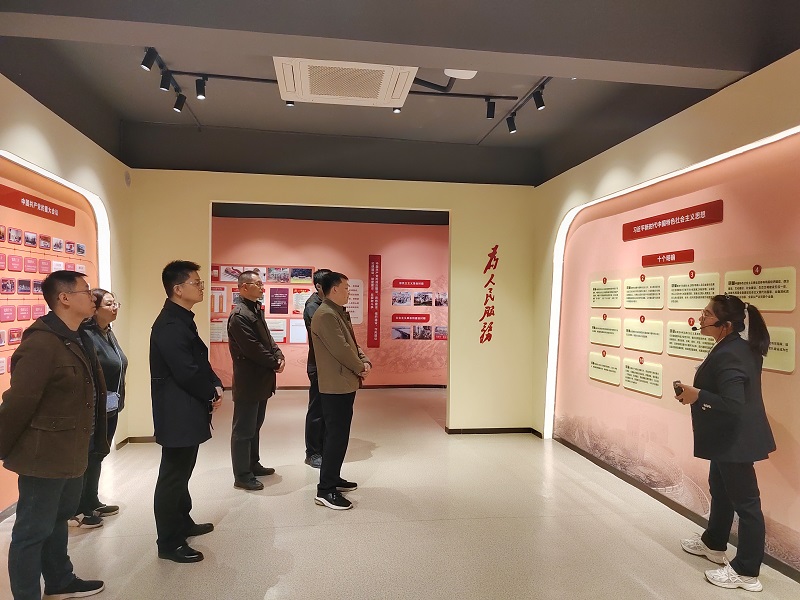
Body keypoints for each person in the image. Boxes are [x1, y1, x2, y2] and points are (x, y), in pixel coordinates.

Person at [0, 270, 107, 599]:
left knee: (59, 518)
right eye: (86, 291)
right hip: (43, 455)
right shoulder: (42, 343)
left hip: (71, 450)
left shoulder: (77, 336)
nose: (92, 296)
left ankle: (60, 580)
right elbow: (19, 401)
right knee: (32, 531)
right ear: (64, 298)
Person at [674, 294, 775, 592]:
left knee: (747, 504)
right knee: (720, 489)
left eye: (707, 314)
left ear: (726, 324)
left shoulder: (731, 353)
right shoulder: (735, 347)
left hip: (736, 440)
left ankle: (746, 571)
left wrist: (697, 395)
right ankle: (715, 542)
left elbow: (733, 403)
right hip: (727, 436)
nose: (701, 318)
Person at [150, 261, 222, 563]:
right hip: (177, 410)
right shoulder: (169, 324)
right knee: (173, 476)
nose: (201, 287)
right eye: (196, 282)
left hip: (186, 407)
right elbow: (186, 371)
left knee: (182, 472)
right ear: (178, 289)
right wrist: (210, 391)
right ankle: (169, 542)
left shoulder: (181, 319)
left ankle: (183, 521)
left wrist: (214, 383)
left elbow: (198, 361)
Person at [310, 272, 371, 510]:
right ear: (334, 289)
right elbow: (341, 349)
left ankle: (333, 478)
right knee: (335, 435)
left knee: (339, 434)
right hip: (335, 385)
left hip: (343, 382)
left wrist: (364, 360)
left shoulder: (336, 312)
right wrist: (360, 367)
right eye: (346, 288)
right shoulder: (326, 314)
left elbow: (352, 344)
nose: (349, 292)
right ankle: (325, 490)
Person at [71, 289, 128, 529]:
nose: (114, 307)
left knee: (99, 454)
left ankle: (91, 500)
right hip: (93, 407)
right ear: (94, 309)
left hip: (110, 406)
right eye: (109, 304)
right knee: (88, 454)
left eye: (116, 303)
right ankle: (78, 508)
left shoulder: (107, 332)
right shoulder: (85, 335)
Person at [227, 270, 285, 491]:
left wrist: (278, 354)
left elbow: (268, 340)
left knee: (255, 426)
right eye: (258, 284)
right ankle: (242, 475)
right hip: (249, 380)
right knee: (243, 430)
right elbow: (252, 348)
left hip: (261, 379)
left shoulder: (255, 309)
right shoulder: (239, 315)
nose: (262, 287)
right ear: (244, 287)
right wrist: (274, 362)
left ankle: (253, 464)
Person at [303, 268, 331, 469]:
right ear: (319, 287)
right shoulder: (313, 306)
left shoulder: (327, 305)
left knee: (327, 410)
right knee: (317, 410)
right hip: (318, 365)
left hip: (329, 365)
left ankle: (322, 448)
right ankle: (312, 452)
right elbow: (326, 335)